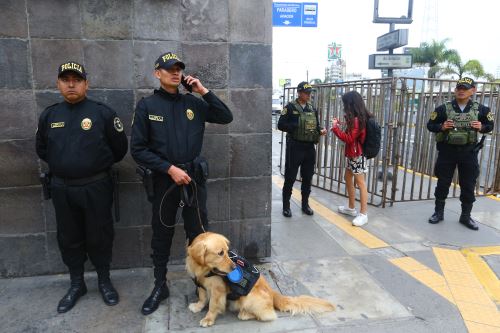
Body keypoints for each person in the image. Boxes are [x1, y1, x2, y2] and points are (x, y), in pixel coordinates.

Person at [130, 52, 233, 315]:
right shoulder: (147, 106)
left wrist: (202, 90)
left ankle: (203, 285)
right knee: (161, 236)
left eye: (178, 69)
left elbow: (225, 116)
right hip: (165, 182)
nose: (175, 73)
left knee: (200, 237)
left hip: (193, 181)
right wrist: (168, 168)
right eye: (169, 69)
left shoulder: (193, 103)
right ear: (158, 73)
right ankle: (159, 285)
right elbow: (138, 149)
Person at [35, 61, 128, 313]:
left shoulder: (103, 113)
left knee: (100, 235)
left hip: (96, 187)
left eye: (77, 79)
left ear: (86, 83)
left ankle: (104, 281)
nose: (71, 84)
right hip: (62, 189)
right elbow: (42, 149)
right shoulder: (50, 115)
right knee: (68, 237)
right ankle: (77, 283)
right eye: (66, 80)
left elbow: (119, 149)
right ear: (58, 84)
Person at [427, 77, 494, 230]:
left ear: (473, 91)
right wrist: (442, 127)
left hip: (468, 152)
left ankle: (466, 216)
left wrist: (481, 126)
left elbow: (490, 125)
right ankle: (438, 212)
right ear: (455, 90)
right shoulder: (444, 108)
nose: (461, 91)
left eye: (465, 88)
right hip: (447, 152)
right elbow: (430, 125)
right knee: (443, 183)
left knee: (468, 184)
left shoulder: (482, 109)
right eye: (459, 88)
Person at [278, 81, 327, 218]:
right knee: (290, 177)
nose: (308, 95)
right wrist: (294, 126)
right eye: (306, 93)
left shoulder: (312, 108)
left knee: (307, 177)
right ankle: (286, 206)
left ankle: (305, 204)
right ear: (299, 93)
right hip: (295, 147)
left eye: (310, 93)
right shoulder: (290, 107)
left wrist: (321, 130)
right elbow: (280, 124)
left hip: (309, 148)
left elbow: (316, 125)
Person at [331, 91, 370, 227]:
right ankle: (351, 207)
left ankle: (363, 214)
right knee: (348, 178)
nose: (344, 106)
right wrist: (341, 122)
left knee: (360, 182)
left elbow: (349, 138)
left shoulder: (356, 119)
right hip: (353, 154)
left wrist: (335, 128)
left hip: (357, 155)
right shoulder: (356, 117)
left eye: (345, 103)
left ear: (350, 104)